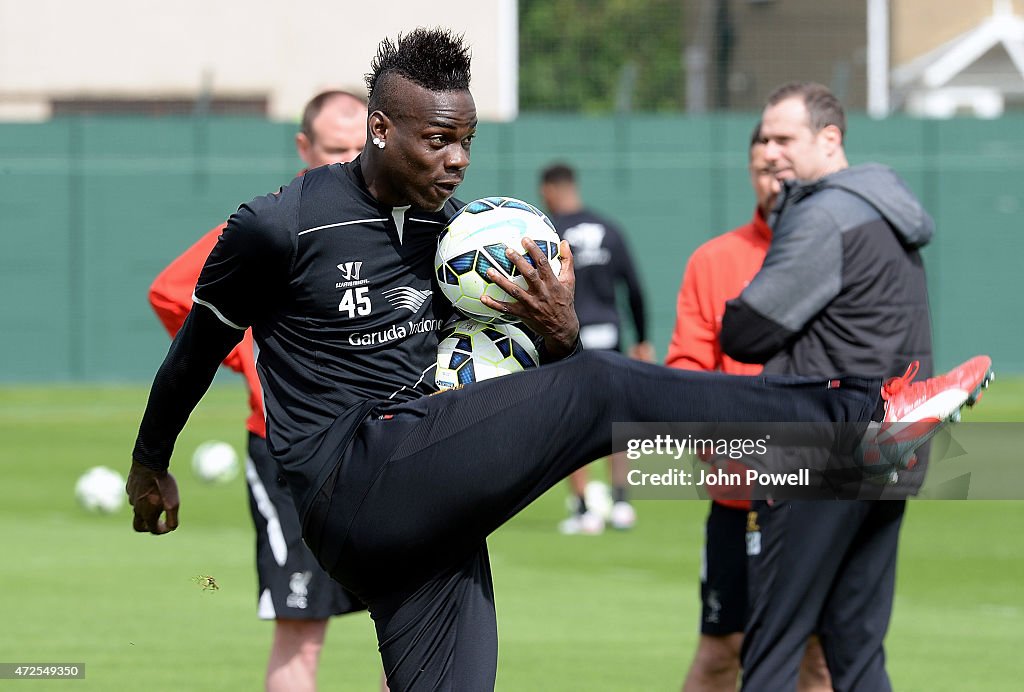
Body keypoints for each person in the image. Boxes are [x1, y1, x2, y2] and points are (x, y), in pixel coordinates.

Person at [127, 30, 991, 692]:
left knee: (586, 378)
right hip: (349, 477)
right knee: (604, 384)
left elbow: (534, 385)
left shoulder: (459, 231)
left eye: (466, 139)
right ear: (380, 128)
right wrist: (150, 463)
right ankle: (866, 415)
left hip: (426, 513)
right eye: (436, 140)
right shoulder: (280, 225)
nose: (456, 158)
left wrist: (559, 331)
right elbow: (196, 348)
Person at [718, 82, 958, 691]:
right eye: (763, 138)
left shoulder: (824, 214)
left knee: (773, 647)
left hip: (821, 455)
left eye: (784, 138)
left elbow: (746, 332)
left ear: (829, 139)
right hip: (890, 449)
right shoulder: (884, 210)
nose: (769, 150)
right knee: (856, 649)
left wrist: (736, 306)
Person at [148, 89, 386, 692]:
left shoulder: (405, 224)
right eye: (336, 148)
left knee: (414, 629)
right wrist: (248, 359)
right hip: (287, 454)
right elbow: (175, 292)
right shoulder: (278, 225)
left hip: (389, 445)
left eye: (363, 149)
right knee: (300, 630)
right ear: (304, 147)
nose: (349, 161)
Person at [667, 124, 831, 691]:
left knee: (820, 656)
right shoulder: (715, 260)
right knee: (720, 654)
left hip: (822, 497)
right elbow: (686, 368)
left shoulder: (845, 251)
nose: (774, 178)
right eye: (763, 169)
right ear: (751, 174)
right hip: (739, 497)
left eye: (783, 168)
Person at [539, 162, 654, 534]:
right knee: (618, 420)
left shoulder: (552, 233)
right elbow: (634, 288)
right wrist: (642, 338)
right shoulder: (609, 229)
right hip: (610, 333)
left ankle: (585, 507)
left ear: (552, 190)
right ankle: (621, 502)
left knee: (572, 420)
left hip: (570, 335)